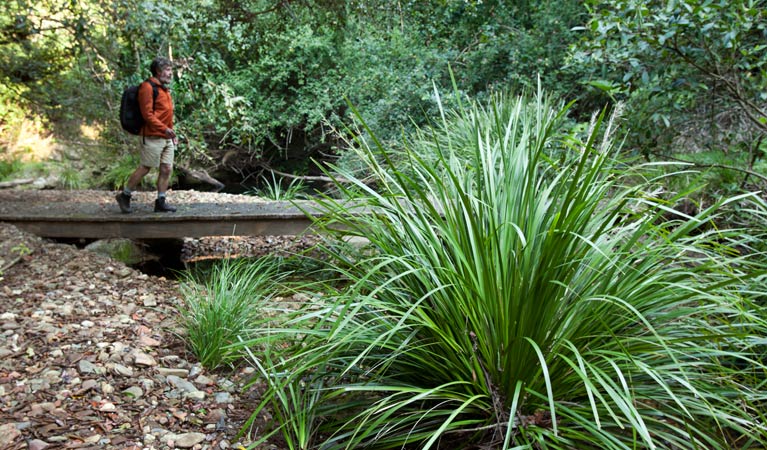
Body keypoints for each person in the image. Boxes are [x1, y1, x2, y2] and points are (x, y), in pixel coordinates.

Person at [116, 57, 178, 213]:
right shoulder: (147, 87)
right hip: (151, 136)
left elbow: (167, 114)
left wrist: (172, 133)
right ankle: (125, 195)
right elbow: (147, 115)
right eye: (168, 70)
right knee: (145, 167)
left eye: (171, 70)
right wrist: (164, 129)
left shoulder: (164, 89)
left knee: (166, 169)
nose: (170, 74)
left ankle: (161, 201)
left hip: (166, 136)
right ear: (158, 71)